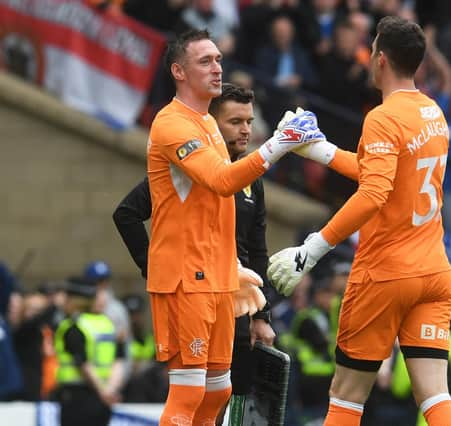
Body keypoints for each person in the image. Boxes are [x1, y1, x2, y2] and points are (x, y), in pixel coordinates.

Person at [268, 16, 451, 426]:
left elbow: (374, 192)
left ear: (381, 60)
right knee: (434, 395)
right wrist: (318, 149)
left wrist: (310, 250)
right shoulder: (433, 113)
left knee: (346, 396)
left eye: (372, 48)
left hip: (385, 273)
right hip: (433, 272)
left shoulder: (383, 117)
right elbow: (383, 172)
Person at [141, 29, 323, 425]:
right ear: (178, 71)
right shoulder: (171, 124)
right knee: (187, 393)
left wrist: (232, 266)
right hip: (186, 278)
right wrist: (277, 145)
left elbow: (219, 206)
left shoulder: (207, 124)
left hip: (218, 278)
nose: (217, 68)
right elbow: (222, 182)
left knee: (218, 391)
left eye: (219, 59)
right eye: (205, 61)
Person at [113, 83, 277, 420]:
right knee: (192, 391)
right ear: (212, 125)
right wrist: (155, 266)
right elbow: (126, 213)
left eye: (248, 121)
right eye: (235, 122)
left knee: (226, 396)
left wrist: (262, 315)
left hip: (237, 300)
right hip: (194, 290)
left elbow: (258, 250)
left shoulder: (251, 179)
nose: (245, 130)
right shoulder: (185, 170)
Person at [52, 276, 125, 426]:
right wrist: (110, 390)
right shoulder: (108, 325)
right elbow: (119, 360)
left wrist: (103, 391)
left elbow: (84, 364)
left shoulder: (73, 326)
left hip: (77, 397)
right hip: (104, 397)